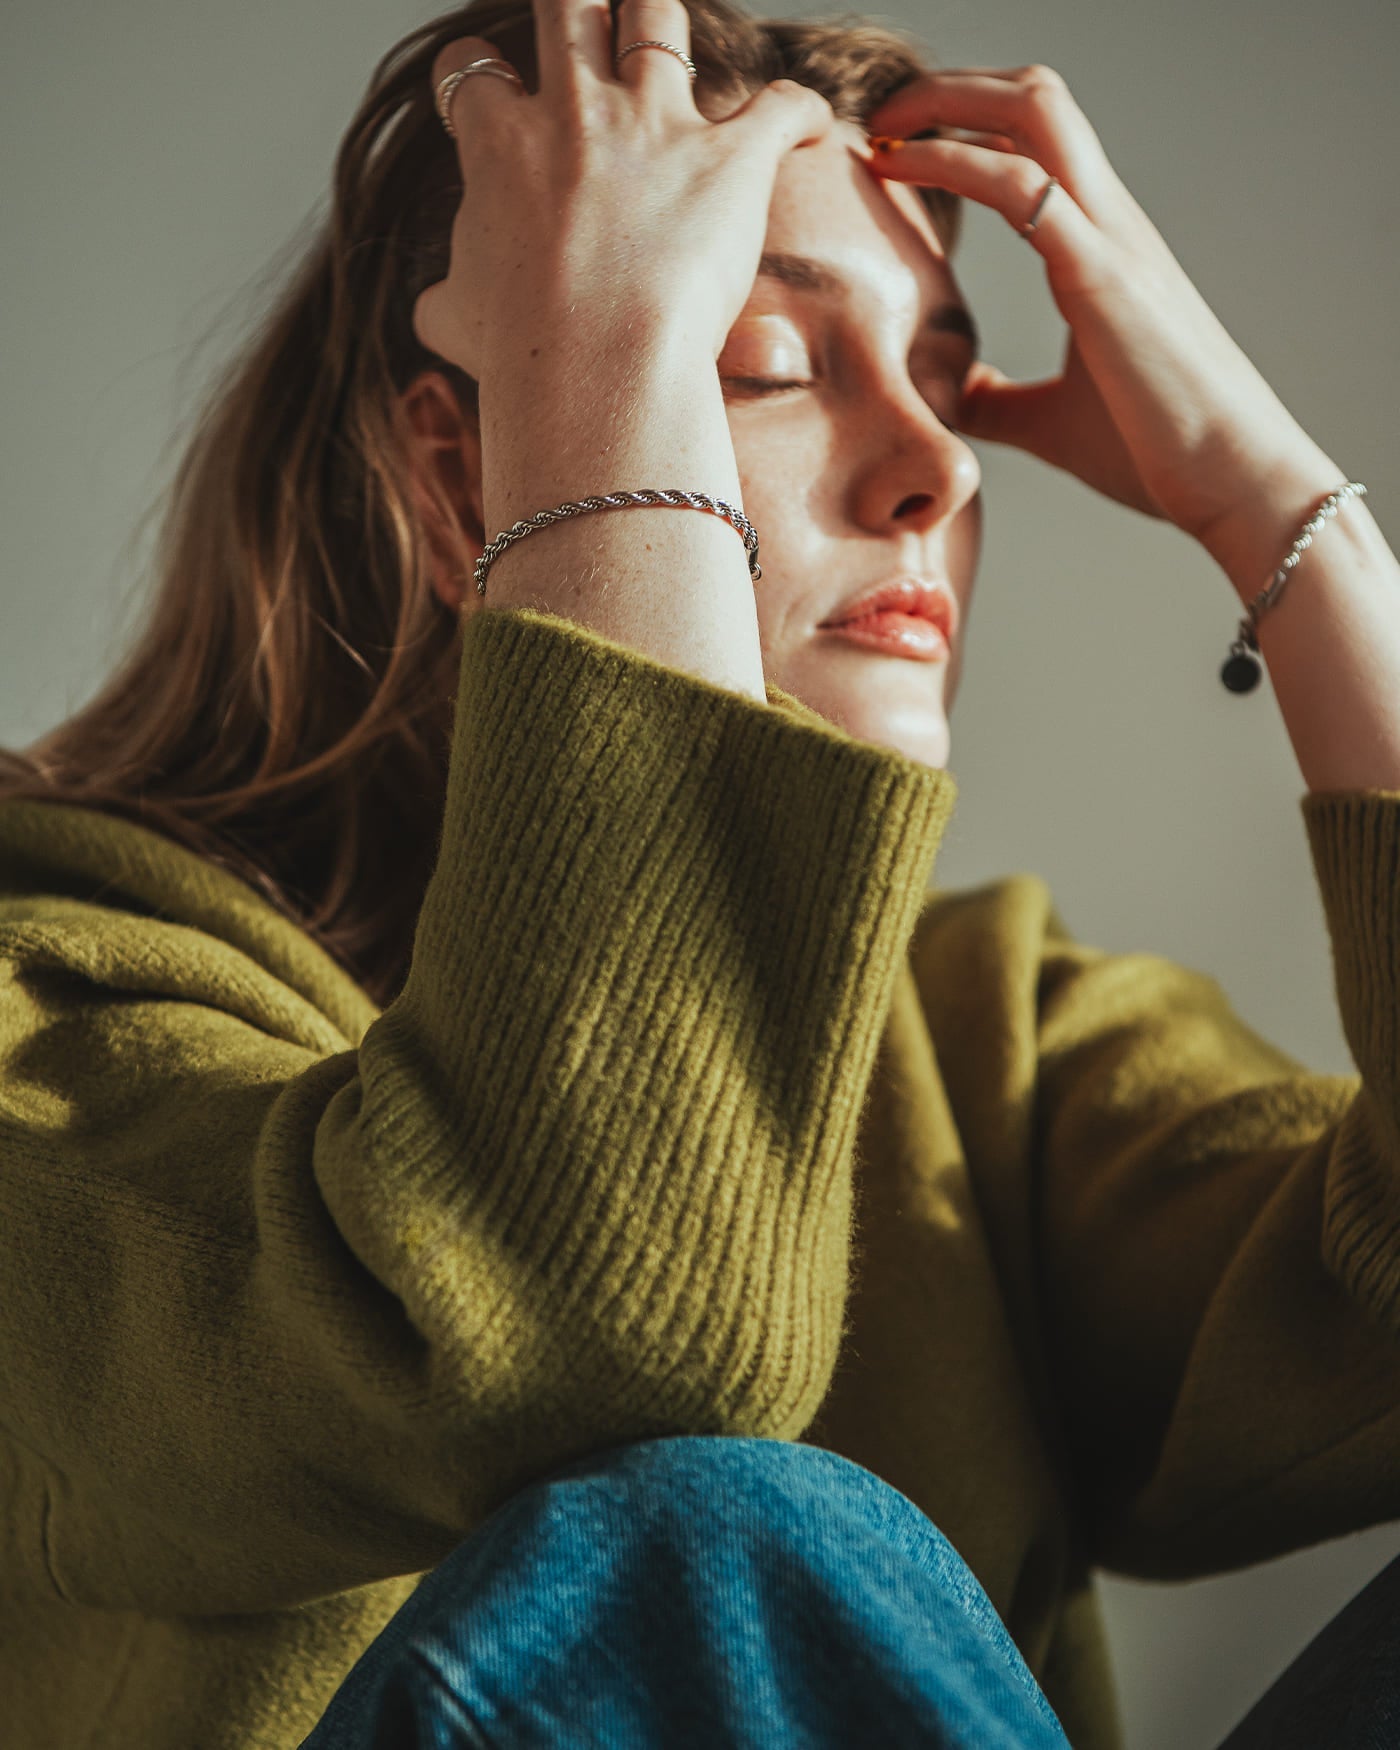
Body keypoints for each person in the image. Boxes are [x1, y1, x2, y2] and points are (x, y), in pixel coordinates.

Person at [2, 0, 1399, 1745]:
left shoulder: (974, 1038)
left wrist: (1287, 520)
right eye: (752, 359)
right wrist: (602, 400)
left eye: (947, 374)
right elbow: (604, 1328)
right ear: (464, 476)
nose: (942, 464)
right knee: (713, 1539)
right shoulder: (48, 1028)